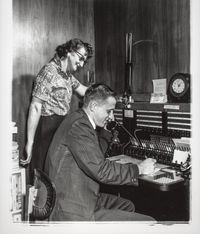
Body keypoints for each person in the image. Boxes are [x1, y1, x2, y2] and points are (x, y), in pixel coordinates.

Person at [44, 83, 156, 221]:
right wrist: (138, 169)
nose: (111, 116)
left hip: (78, 193)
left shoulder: (79, 119)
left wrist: (106, 132)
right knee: (150, 222)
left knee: (127, 205)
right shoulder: (79, 127)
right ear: (93, 106)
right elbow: (102, 170)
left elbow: (94, 156)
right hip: (73, 208)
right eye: (108, 111)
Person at [20, 38, 93, 183]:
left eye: (85, 60)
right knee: (42, 175)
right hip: (47, 127)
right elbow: (35, 106)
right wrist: (30, 142)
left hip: (60, 128)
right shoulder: (48, 71)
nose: (82, 64)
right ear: (70, 51)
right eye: (81, 58)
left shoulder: (67, 75)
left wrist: (104, 93)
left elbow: (84, 90)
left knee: (55, 175)